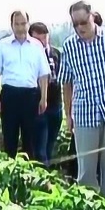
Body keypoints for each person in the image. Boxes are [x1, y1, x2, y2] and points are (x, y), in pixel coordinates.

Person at [57, 0, 105, 199]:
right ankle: (90, 209)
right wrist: (69, 114)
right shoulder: (69, 46)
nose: (79, 28)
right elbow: (66, 82)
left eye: (83, 22)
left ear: (93, 16)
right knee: (86, 169)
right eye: (75, 24)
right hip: (85, 112)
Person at [0, 10, 51, 159]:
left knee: (29, 138)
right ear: (11, 25)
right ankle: (9, 170)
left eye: (23, 23)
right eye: (16, 24)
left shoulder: (36, 46)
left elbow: (43, 75)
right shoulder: (3, 45)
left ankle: (27, 173)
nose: (20, 27)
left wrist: (44, 98)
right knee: (9, 137)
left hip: (30, 95)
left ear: (28, 24)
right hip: (9, 95)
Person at [29, 22, 63, 167]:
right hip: (38, 106)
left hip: (56, 105)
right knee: (40, 149)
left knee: (50, 146)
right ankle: (42, 178)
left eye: (44, 38)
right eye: (38, 40)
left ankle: (47, 173)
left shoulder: (56, 53)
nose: (42, 43)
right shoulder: (30, 55)